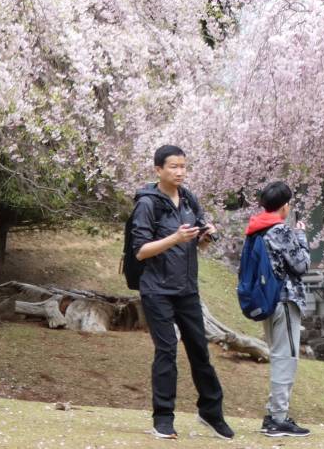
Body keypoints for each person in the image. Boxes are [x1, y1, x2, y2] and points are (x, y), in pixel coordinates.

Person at [131, 145, 233, 441]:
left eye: (183, 166)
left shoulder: (189, 198)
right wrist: (175, 237)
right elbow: (140, 251)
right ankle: (163, 418)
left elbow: (196, 245)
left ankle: (211, 414)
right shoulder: (147, 204)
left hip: (187, 289)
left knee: (200, 351)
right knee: (167, 351)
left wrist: (204, 238)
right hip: (157, 290)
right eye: (173, 166)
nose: (180, 172)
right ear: (158, 170)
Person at [246, 180, 312, 439]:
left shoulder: (255, 230)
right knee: (287, 358)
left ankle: (275, 415)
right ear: (284, 206)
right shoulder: (280, 231)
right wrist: (302, 237)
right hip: (285, 300)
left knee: (279, 355)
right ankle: (277, 418)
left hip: (268, 299)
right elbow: (301, 266)